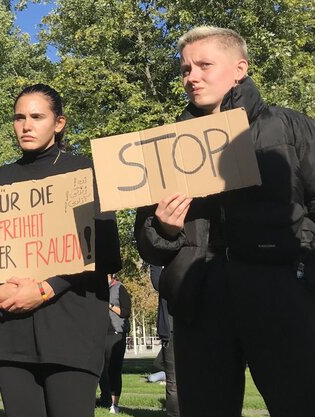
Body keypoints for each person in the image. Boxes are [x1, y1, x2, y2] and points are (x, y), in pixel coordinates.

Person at [134, 26, 315, 416]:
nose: (192, 77)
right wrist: (164, 228)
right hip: (201, 303)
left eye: (204, 65)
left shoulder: (288, 127)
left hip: (282, 295)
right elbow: (146, 240)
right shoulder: (167, 147)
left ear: (240, 68)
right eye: (185, 69)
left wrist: (304, 274)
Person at [0, 83, 122, 417]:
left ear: (59, 123)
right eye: (19, 117)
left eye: (36, 116)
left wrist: (46, 289)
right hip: (9, 328)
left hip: (70, 329)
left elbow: (103, 252)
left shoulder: (85, 171)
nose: (26, 125)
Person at [98, 273, 131, 414]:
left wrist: (109, 305)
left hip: (116, 334)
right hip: (101, 334)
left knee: (114, 369)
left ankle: (114, 404)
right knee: (101, 369)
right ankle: (105, 399)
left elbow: (126, 312)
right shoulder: (99, 290)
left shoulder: (119, 288)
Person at [149, 265, 178, 417]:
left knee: (174, 381)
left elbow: (158, 282)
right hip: (173, 329)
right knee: (173, 380)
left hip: (180, 328)